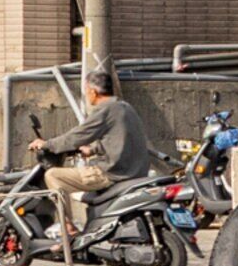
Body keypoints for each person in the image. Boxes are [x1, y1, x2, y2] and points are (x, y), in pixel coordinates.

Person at [34, 73, 167, 197]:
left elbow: (77, 136)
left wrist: (46, 144)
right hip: (136, 172)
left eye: (86, 91)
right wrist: (93, 150)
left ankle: (66, 222)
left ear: (93, 91)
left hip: (113, 174)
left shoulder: (105, 109)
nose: (86, 95)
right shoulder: (125, 107)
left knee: (53, 175)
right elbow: (119, 140)